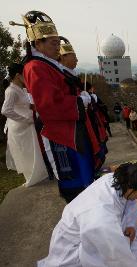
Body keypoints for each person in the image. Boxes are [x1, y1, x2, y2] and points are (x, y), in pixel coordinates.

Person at [12, 11, 94, 202]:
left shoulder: (46, 64)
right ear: (38, 43)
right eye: (53, 42)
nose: (58, 47)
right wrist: (80, 101)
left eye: (58, 42)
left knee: (82, 175)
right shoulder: (35, 67)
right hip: (61, 133)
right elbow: (49, 104)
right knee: (74, 182)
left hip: (69, 127)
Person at [38, 146, 137, 267]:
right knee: (121, 256)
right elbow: (117, 256)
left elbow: (130, 202)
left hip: (94, 225)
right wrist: (123, 248)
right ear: (132, 187)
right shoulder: (101, 217)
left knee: (126, 243)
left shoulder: (119, 179)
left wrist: (130, 226)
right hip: (74, 247)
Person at [58, 37, 106, 172]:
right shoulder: (61, 74)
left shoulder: (69, 74)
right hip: (74, 121)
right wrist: (81, 99)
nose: (77, 60)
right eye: (74, 56)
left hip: (83, 117)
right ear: (64, 57)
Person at [1, 63, 48, 186]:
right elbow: (5, 110)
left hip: (27, 125)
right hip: (20, 126)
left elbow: (23, 104)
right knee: (26, 153)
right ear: (17, 75)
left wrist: (33, 107)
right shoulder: (10, 90)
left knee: (32, 151)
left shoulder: (21, 89)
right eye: (24, 74)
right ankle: (31, 177)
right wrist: (25, 120)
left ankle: (37, 175)